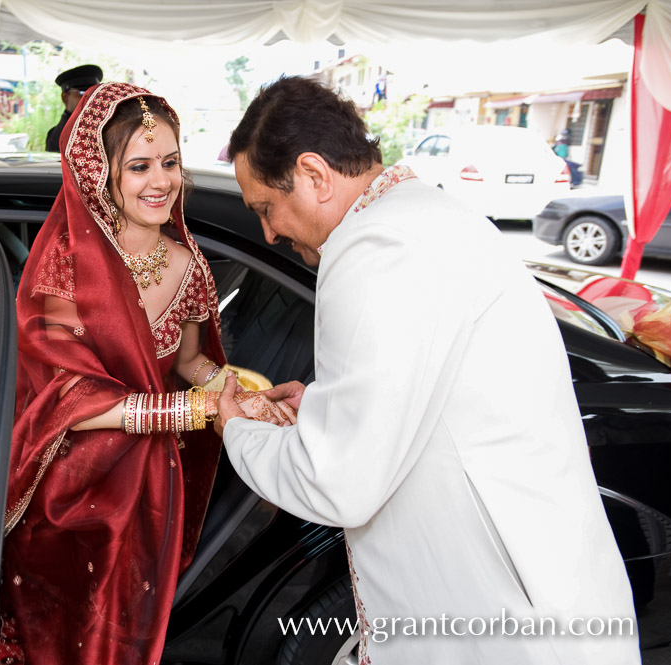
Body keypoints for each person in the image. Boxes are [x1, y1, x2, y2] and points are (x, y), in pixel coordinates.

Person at [214, 76, 639, 664]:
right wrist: (321, 408)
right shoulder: (422, 215)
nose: (268, 232)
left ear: (314, 174)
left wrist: (238, 429)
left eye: (266, 208)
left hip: (503, 616)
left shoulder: (372, 248)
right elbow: (425, 393)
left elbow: (338, 482)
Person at [0, 82, 293, 665]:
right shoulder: (67, 268)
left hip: (150, 482)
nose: (161, 182)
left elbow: (188, 362)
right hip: (70, 487)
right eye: (139, 166)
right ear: (100, 172)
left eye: (171, 162)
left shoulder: (187, 263)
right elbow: (69, 398)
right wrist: (201, 410)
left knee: (126, 634)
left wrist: (237, 394)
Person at [43, 64, 103, 152]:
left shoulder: (108, 127)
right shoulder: (59, 135)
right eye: (82, 93)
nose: (91, 98)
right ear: (65, 98)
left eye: (95, 92)